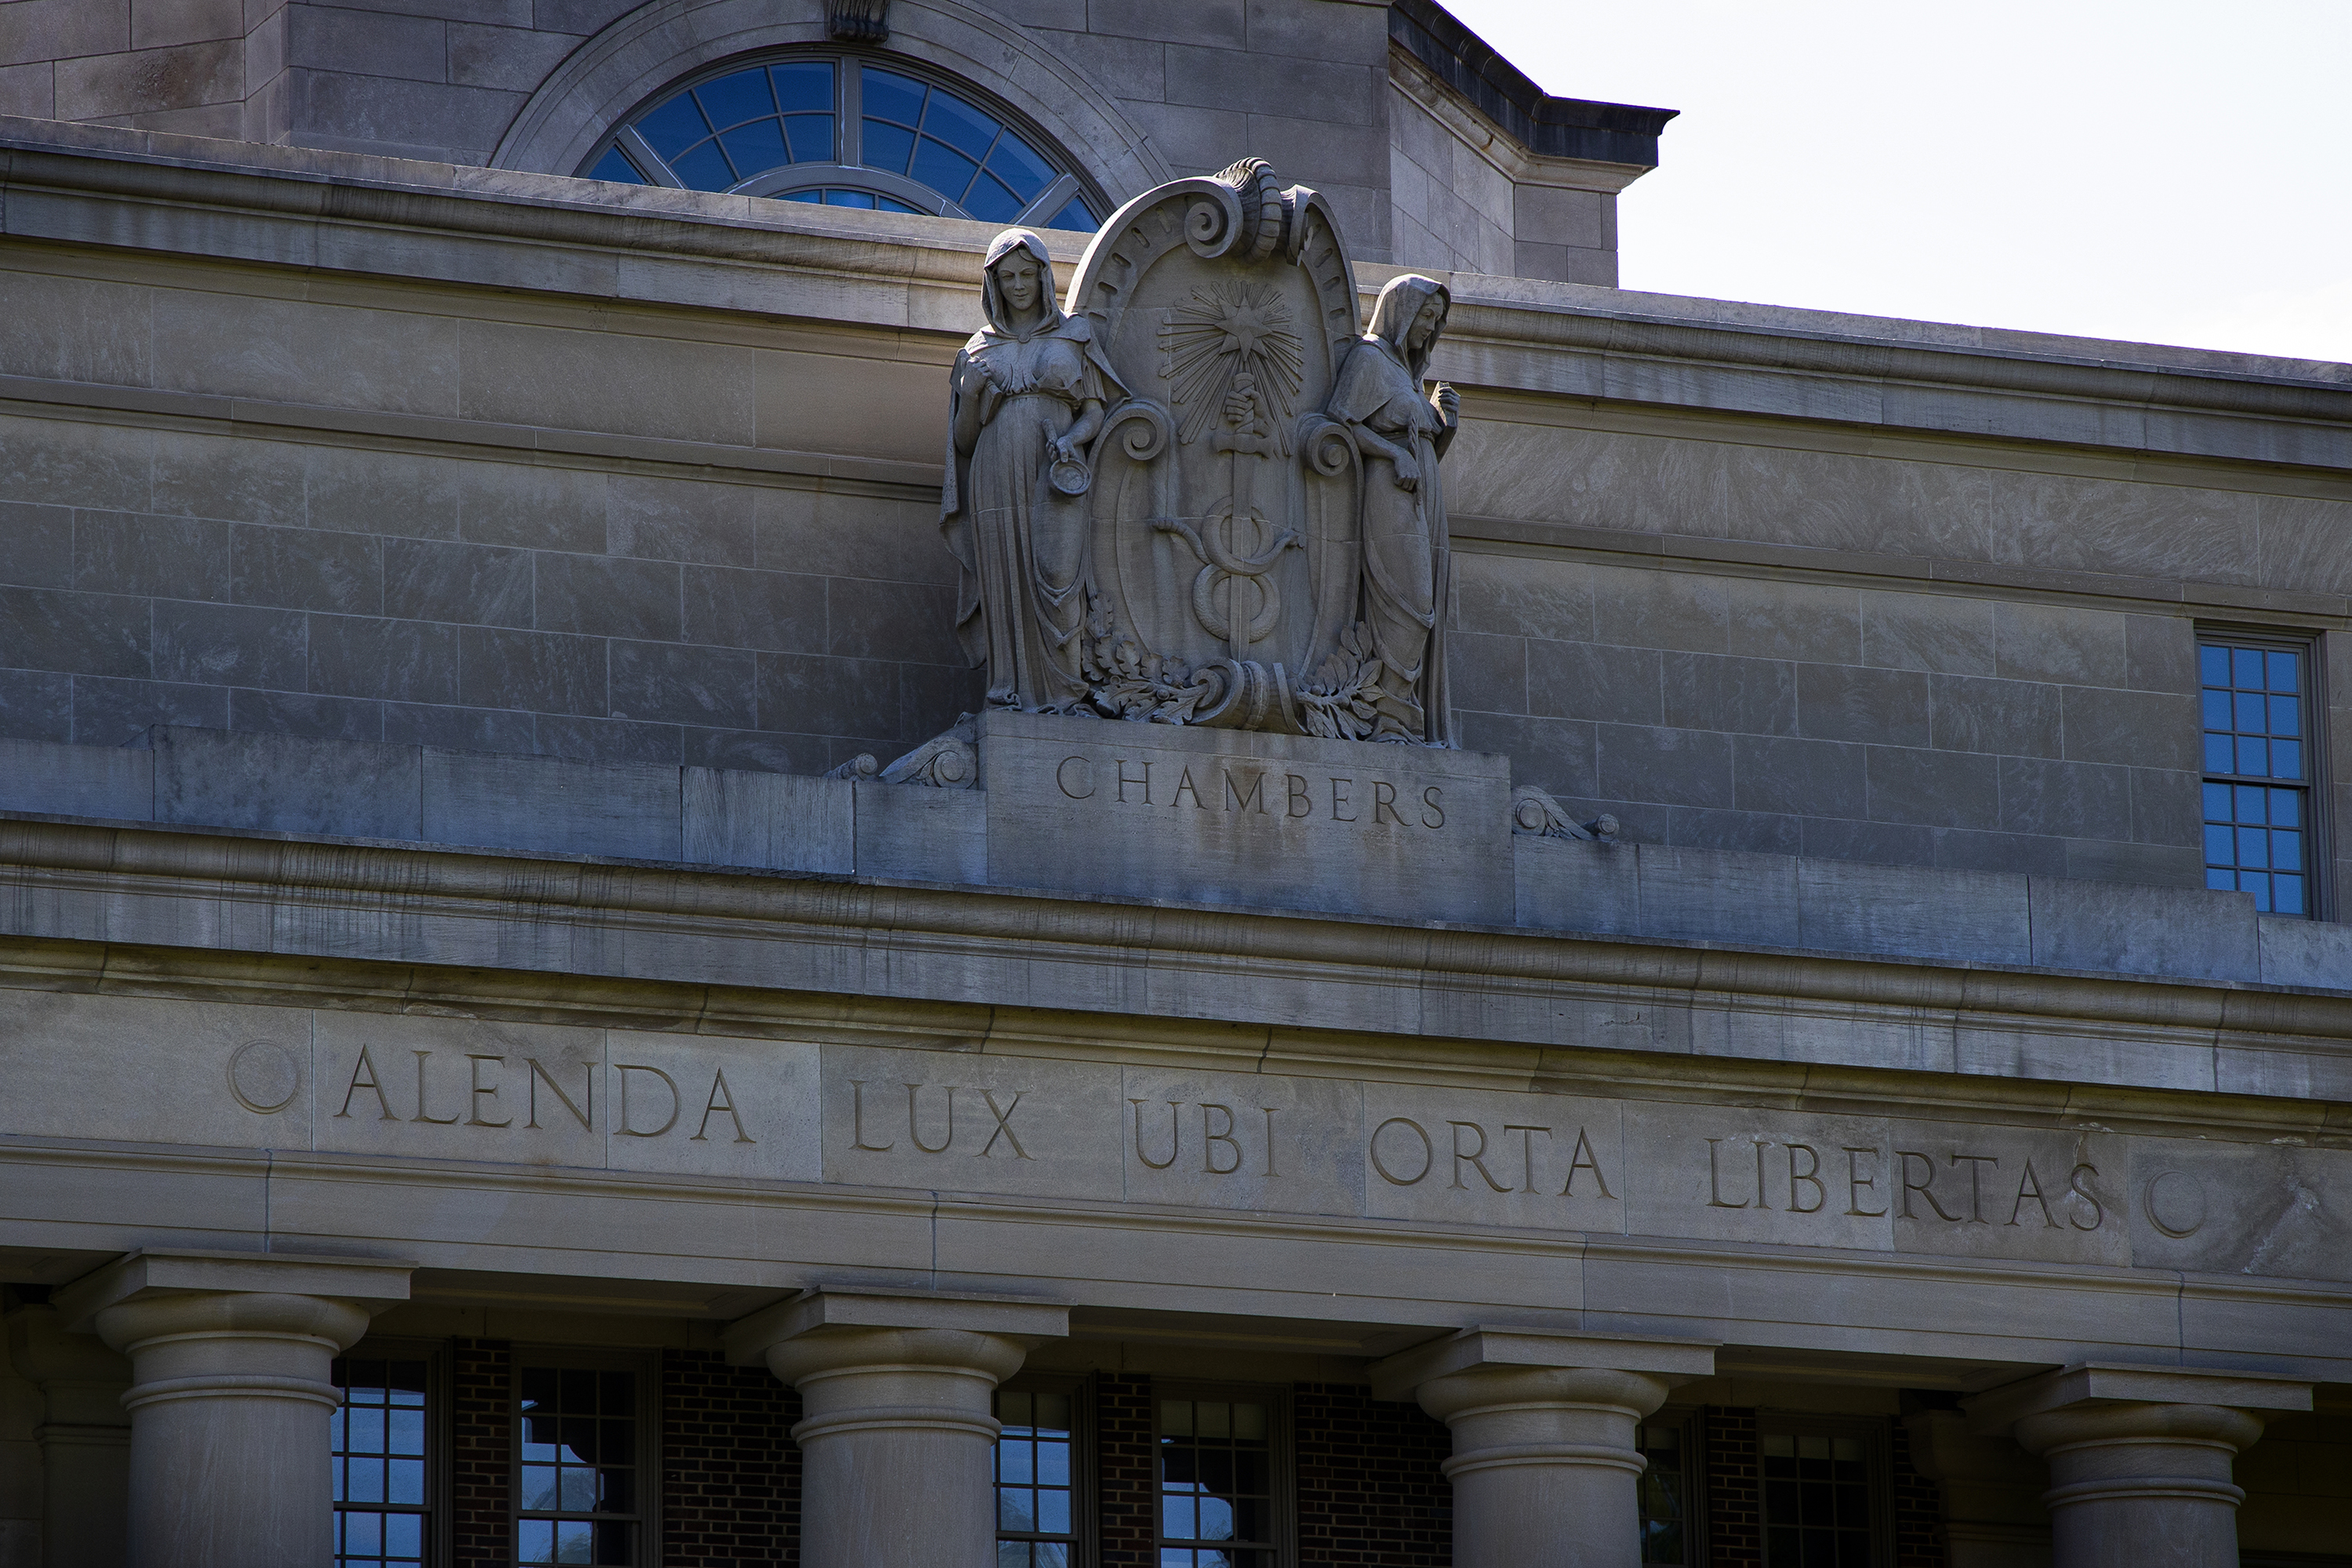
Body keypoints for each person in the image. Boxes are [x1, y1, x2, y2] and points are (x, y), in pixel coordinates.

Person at [940, 229, 1122, 711]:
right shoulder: (976, 350)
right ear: (992, 284)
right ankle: (1009, 693)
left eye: (1026, 274)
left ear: (1043, 276)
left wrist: (1070, 441)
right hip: (993, 474)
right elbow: (962, 441)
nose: (1017, 285)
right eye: (1006, 277)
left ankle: (1066, 692)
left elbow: (1095, 411)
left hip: (1055, 471)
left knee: (1059, 579)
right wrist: (973, 393)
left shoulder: (1073, 334)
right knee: (1005, 580)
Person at [1326, 273, 1459, 744]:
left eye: (1436, 320)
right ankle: (1387, 717)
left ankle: (1400, 715)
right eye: (1425, 316)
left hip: (1421, 493)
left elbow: (1422, 454)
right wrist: (1392, 453)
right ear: (1401, 311)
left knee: (1426, 599)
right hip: (1388, 489)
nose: (1430, 327)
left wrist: (1445, 426)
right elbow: (1340, 422)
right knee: (1409, 599)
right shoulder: (1368, 359)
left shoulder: (1407, 376)